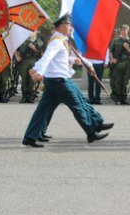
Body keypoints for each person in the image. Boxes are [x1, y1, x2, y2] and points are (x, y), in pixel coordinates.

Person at [21, 13, 113, 148]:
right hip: (59, 81)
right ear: (62, 26)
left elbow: (58, 59)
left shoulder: (61, 40)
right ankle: (91, 132)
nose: (71, 28)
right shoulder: (57, 41)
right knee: (77, 105)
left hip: (55, 80)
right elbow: (47, 57)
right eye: (69, 25)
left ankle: (30, 137)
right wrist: (38, 71)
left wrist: (74, 60)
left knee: (43, 109)